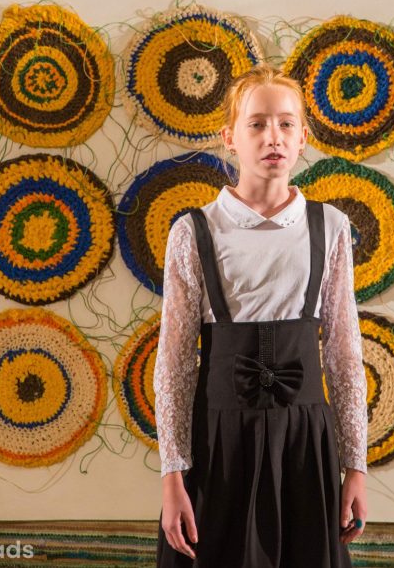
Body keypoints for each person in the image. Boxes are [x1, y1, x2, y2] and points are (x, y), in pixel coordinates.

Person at [154, 63, 370, 567]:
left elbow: (344, 355)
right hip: (220, 444)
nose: (273, 137)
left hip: (305, 445)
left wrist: (355, 468)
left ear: (303, 138)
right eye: (257, 124)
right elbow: (175, 364)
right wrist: (172, 475)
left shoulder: (330, 227)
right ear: (230, 136)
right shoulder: (194, 232)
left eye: (286, 124)